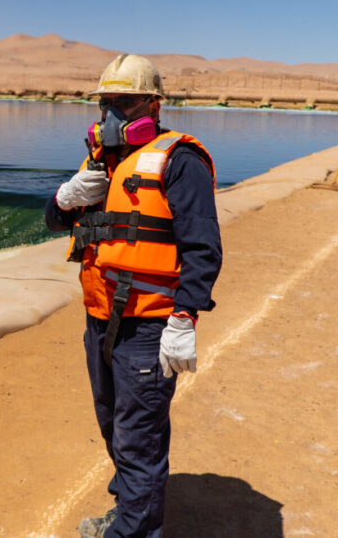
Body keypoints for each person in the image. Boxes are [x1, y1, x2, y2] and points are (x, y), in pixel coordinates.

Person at [45, 54, 223, 538]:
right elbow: (57, 222)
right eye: (107, 103)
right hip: (100, 318)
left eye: (124, 102)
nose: (112, 114)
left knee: (138, 439)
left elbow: (203, 249)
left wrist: (184, 318)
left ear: (153, 104)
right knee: (114, 427)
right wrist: (65, 198)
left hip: (148, 326)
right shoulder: (100, 160)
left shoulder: (179, 160)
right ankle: (128, 514)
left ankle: (132, 532)